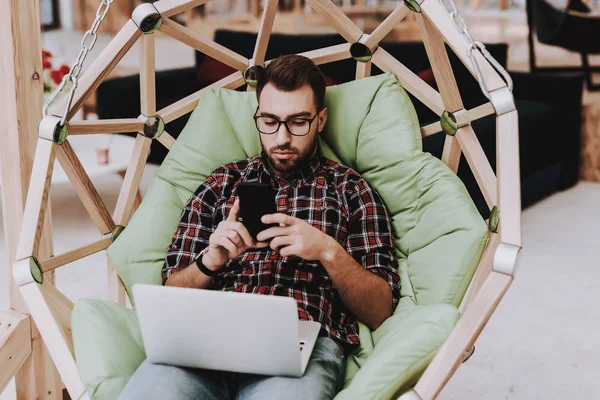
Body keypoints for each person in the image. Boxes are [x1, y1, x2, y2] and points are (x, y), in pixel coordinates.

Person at [119, 54, 400, 400]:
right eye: (269, 121)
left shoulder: (349, 189)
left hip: (301, 341)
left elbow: (380, 310)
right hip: (209, 336)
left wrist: (328, 251)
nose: (282, 137)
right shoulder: (222, 182)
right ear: (257, 118)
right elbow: (172, 290)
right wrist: (211, 261)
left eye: (298, 122)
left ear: (321, 119)